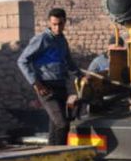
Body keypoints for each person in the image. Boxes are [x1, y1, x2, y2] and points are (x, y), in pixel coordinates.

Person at [17, 8, 83, 145]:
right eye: (54, 24)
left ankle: (52, 152)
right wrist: (36, 83)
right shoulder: (42, 39)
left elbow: (69, 62)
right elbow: (22, 60)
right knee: (62, 124)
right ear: (49, 23)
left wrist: (81, 76)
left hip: (61, 86)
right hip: (46, 88)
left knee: (55, 125)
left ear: (65, 22)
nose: (57, 28)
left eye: (60, 24)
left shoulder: (62, 40)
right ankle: (60, 154)